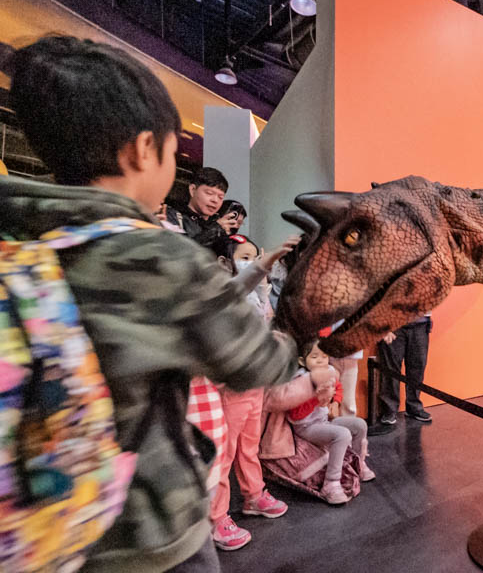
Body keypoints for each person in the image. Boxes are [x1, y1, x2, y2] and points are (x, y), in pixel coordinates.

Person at [1, 36, 299, 573]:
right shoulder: (155, 254)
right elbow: (258, 362)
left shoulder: (18, 238)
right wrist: (302, 324)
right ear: (143, 149)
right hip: (144, 536)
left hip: (37, 538)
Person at [206, 233, 299, 551]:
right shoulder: (220, 294)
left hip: (254, 382)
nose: (253, 260)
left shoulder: (257, 295)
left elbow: (266, 323)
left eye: (254, 255)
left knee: (249, 445)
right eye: (245, 256)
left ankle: (254, 496)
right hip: (231, 385)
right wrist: (264, 263)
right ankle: (216, 518)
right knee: (224, 453)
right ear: (223, 262)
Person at [285, 340, 375, 504]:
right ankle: (331, 483)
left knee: (359, 425)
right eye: (314, 357)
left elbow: (338, 387)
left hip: (323, 421)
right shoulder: (300, 380)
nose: (320, 360)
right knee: (342, 434)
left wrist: (335, 402)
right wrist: (316, 399)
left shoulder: (329, 372)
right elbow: (295, 415)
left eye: (324, 356)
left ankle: (358, 464)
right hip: (306, 426)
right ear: (302, 361)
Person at [371, 313, 434, 435]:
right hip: (393, 324)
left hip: (421, 323)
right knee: (390, 369)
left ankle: (414, 406)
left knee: (418, 366)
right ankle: (389, 409)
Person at [165, 167, 236, 245]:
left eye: (220, 197)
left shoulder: (218, 223)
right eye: (209, 193)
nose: (215, 200)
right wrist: (215, 230)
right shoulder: (172, 216)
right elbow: (180, 251)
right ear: (192, 190)